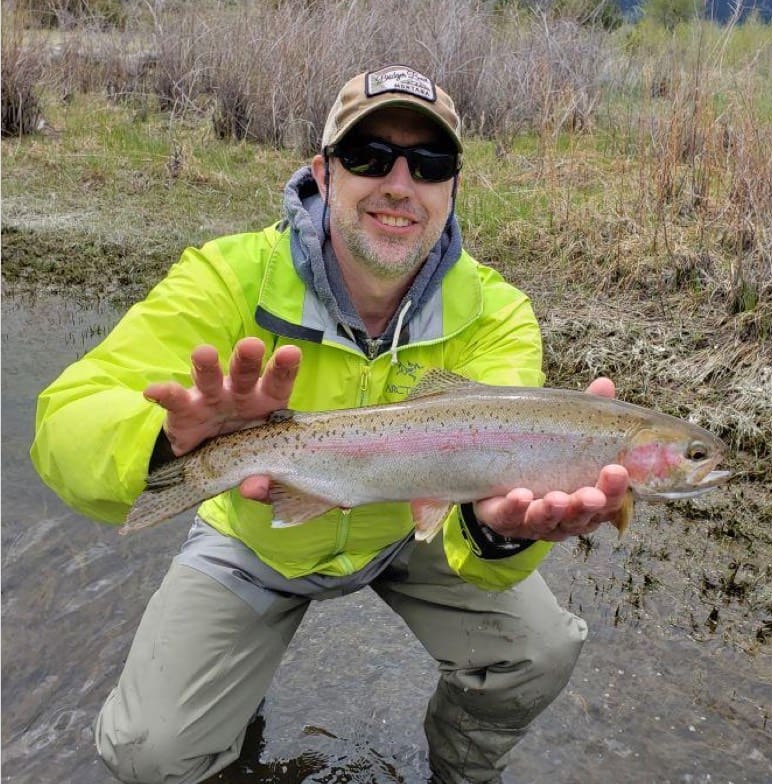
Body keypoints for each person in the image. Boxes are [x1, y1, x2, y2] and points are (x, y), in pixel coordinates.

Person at [31, 64, 629, 784]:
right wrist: (170, 442)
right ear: (323, 171)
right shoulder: (229, 277)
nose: (399, 184)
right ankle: (230, 722)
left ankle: (462, 774)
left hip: (415, 528)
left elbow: (497, 480)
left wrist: (500, 530)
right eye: (369, 156)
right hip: (258, 535)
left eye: (429, 163)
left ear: (453, 186)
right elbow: (67, 416)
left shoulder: (496, 313)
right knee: (148, 753)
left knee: (540, 651)